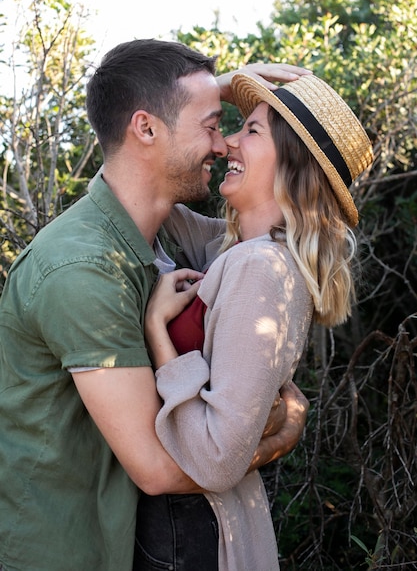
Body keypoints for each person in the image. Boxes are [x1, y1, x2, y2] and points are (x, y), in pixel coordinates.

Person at [0, 39, 312, 571]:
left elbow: (268, 236)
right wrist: (282, 433)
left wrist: (216, 88)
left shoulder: (162, 232)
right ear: (145, 129)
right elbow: (160, 472)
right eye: (212, 125)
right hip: (69, 548)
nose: (221, 145)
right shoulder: (84, 270)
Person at [137, 72, 374, 570]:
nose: (226, 143)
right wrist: (214, 90)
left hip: (197, 531)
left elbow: (218, 459)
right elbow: (125, 180)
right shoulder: (233, 250)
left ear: (293, 164)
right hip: (190, 521)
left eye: (251, 130)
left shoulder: (260, 267)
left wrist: (159, 334)